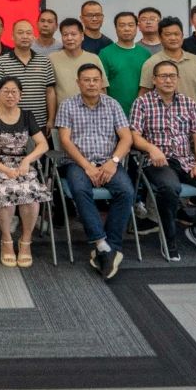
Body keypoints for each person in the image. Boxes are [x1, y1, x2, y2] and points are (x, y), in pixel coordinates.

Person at [131, 60, 196, 261]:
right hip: (158, 161)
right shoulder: (142, 103)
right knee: (170, 188)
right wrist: (151, 148)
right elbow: (134, 135)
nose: (168, 80)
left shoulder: (188, 103)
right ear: (154, 80)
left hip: (186, 160)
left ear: (178, 79)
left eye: (172, 76)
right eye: (163, 76)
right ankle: (169, 238)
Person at [55, 63, 135, 280]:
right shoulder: (68, 105)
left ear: (102, 82)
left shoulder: (112, 104)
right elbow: (65, 141)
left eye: (95, 80)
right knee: (80, 190)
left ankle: (110, 247)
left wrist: (113, 161)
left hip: (109, 161)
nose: (91, 84)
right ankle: (101, 243)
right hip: (77, 162)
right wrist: (87, 166)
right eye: (86, 80)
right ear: (78, 83)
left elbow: (126, 138)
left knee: (126, 191)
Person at [0, 77, 50, 268]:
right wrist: (5, 169)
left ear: (21, 95)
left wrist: (27, 160)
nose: (10, 95)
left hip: (22, 163)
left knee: (31, 193)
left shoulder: (27, 116)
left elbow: (43, 145)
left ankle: (26, 241)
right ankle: (6, 240)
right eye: (5, 91)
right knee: (5, 192)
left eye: (14, 92)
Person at [139, 17, 196, 120]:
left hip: (194, 119)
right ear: (160, 38)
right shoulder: (151, 63)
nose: (173, 38)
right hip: (162, 121)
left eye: (176, 34)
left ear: (182, 36)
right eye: (168, 34)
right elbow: (144, 93)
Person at [0, 20, 57, 134]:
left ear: (33, 37)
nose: (25, 36)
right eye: (20, 32)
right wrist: (2, 120)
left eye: (28, 33)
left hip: (40, 124)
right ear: (12, 36)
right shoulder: (1, 62)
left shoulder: (44, 61)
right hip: (11, 124)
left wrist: (51, 119)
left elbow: (50, 92)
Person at [100, 11, 152, 113]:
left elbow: (148, 86)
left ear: (136, 27)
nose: (127, 29)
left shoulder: (145, 54)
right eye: (122, 25)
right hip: (113, 112)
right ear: (116, 28)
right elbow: (101, 87)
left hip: (141, 112)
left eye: (131, 25)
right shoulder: (105, 53)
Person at [51, 18, 106, 106]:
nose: (69, 38)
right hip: (63, 112)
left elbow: (102, 88)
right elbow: (50, 91)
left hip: (91, 110)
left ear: (82, 36)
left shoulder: (93, 58)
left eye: (73, 34)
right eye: (65, 35)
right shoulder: (52, 59)